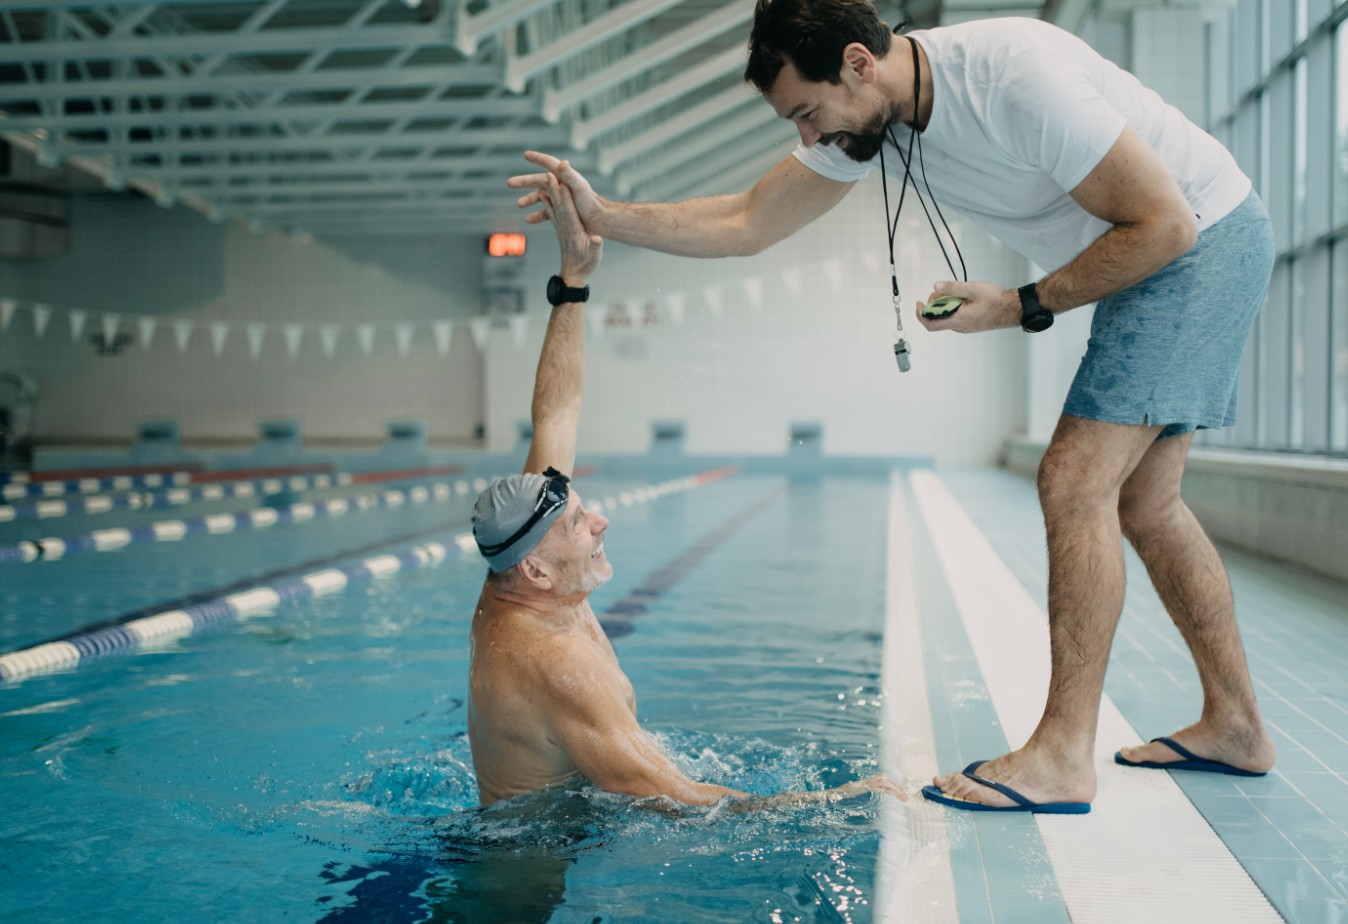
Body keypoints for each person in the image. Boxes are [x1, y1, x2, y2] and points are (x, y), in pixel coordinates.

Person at [507, 0, 1277, 813]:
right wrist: (605, 218)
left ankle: (1060, 756)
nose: (808, 135)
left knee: (1073, 480)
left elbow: (1166, 224)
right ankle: (1235, 726)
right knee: (1147, 504)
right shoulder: (869, 120)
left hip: (1197, 241)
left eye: (808, 112)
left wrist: (1017, 304)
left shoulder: (1016, 77)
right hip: (1166, 251)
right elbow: (748, 220)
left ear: (858, 63)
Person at [467, 170, 904, 809]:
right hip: (542, 852)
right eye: (579, 525)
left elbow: (556, 411)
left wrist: (575, 280)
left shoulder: (520, 569)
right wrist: (839, 803)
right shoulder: (558, 666)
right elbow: (684, 801)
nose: (601, 522)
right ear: (535, 571)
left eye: (584, 511)